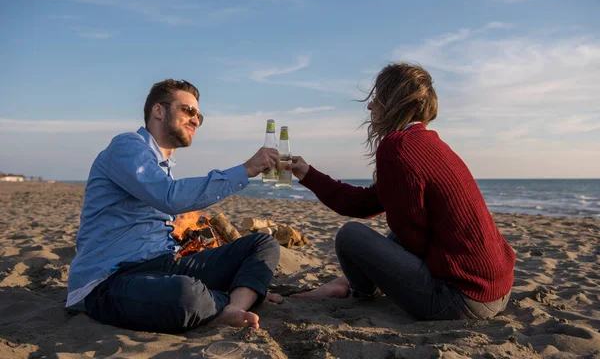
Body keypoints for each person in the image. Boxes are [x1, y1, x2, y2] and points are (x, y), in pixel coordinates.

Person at [290, 63, 516, 320]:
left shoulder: (397, 147)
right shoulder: (430, 142)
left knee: (351, 235)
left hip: (460, 300)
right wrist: (307, 174)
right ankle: (348, 284)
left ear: (392, 102)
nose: (370, 106)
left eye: (376, 99)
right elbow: (367, 203)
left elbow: (412, 236)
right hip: (497, 291)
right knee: (394, 235)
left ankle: (361, 293)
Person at [67, 79, 282, 333]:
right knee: (186, 295)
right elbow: (168, 197)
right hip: (112, 279)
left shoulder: (161, 166)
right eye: (188, 110)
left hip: (164, 264)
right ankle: (230, 301)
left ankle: (232, 306)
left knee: (262, 244)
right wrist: (246, 170)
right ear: (158, 111)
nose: (195, 120)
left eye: (199, 116)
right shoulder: (127, 146)